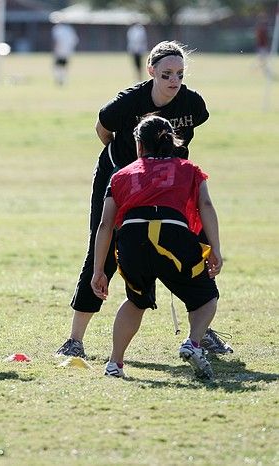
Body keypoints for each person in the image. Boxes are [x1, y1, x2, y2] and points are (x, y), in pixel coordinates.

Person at [56, 40, 233, 359]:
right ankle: (75, 340)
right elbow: (103, 128)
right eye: (166, 74)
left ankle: (201, 333)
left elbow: (193, 130)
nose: (173, 81)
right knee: (105, 247)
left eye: (179, 74)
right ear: (151, 71)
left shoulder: (192, 103)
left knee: (197, 243)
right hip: (124, 176)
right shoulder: (129, 102)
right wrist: (126, 165)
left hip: (170, 182)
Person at [92, 115, 222, 379]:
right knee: (206, 298)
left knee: (135, 300)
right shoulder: (190, 169)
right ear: (172, 141)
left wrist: (98, 271)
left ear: (139, 146)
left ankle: (115, 363)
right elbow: (206, 206)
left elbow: (105, 225)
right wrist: (216, 249)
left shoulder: (121, 175)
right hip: (173, 236)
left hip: (132, 238)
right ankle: (193, 343)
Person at [51, 21, 78, 86]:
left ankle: (59, 79)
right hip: (68, 51)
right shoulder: (69, 29)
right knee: (64, 66)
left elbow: (57, 40)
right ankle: (63, 79)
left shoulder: (57, 29)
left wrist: (56, 49)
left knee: (56, 66)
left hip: (59, 50)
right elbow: (75, 40)